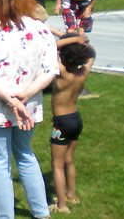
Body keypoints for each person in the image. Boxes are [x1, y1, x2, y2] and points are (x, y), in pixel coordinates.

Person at [0, 0, 58, 218]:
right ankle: (41, 213)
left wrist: (12, 101)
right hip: (28, 107)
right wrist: (25, 97)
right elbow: (50, 71)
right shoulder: (41, 30)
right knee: (25, 154)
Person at [49, 33, 96, 214]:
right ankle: (72, 194)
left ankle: (61, 205)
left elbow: (51, 47)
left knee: (57, 164)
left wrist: (74, 40)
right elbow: (92, 53)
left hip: (61, 124)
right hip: (76, 119)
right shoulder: (82, 71)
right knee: (69, 160)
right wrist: (84, 44)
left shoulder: (61, 72)